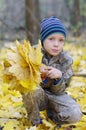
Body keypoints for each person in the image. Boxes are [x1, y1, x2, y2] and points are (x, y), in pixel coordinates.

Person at [22, 16, 82, 126]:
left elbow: (60, 91)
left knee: (75, 114)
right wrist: (34, 70)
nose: (56, 44)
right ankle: (35, 122)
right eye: (51, 39)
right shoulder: (31, 53)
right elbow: (20, 78)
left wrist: (59, 78)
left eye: (61, 40)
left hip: (56, 96)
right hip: (38, 96)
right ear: (43, 39)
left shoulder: (66, 60)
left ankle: (53, 116)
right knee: (30, 89)